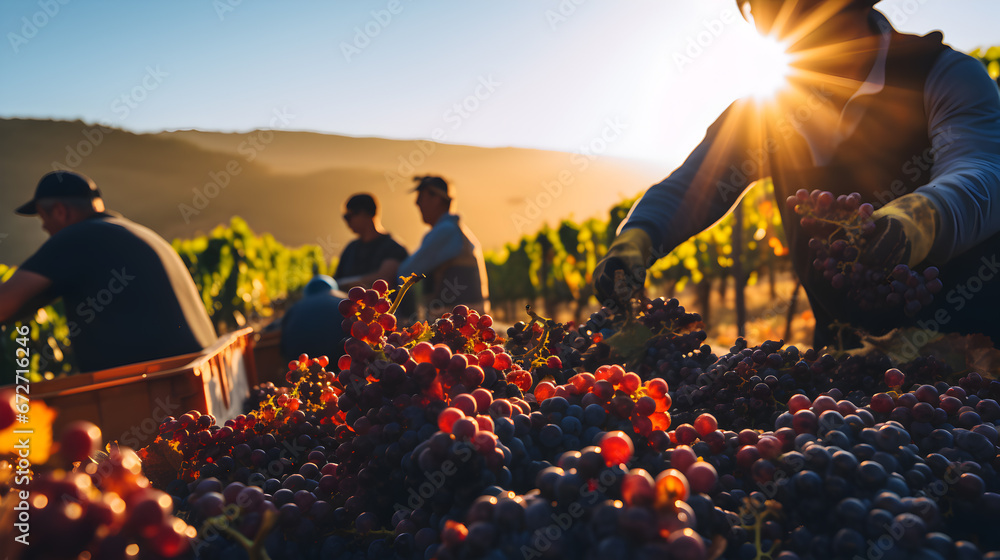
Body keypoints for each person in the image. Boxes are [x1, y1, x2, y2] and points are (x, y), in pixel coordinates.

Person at [593, 0, 1000, 348]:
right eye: (772, 19)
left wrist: (920, 218)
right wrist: (637, 238)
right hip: (845, 364)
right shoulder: (763, 114)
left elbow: (980, 170)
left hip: (970, 357)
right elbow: (690, 189)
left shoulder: (943, 75)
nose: (794, 35)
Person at [0, 171, 218, 372]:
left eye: (42, 218)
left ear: (60, 211)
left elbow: (4, 303)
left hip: (154, 387)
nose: (44, 227)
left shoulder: (77, 238)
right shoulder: (138, 232)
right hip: (200, 371)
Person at [398, 175, 490, 319]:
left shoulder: (445, 232)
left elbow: (406, 273)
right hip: (466, 318)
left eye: (421, 197)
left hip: (453, 321)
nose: (416, 203)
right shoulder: (457, 230)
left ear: (436, 199)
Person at [333, 193, 415, 320]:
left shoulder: (394, 248)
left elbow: (382, 280)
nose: (347, 222)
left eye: (349, 216)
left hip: (381, 319)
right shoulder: (350, 249)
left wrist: (345, 284)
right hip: (349, 317)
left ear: (365, 214)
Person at [279, 275, 347, 363]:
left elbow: (283, 345)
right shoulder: (343, 303)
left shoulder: (294, 308)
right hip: (338, 361)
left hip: (301, 364)